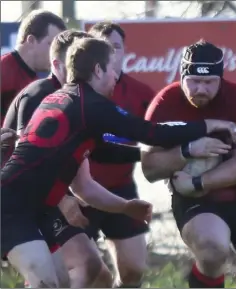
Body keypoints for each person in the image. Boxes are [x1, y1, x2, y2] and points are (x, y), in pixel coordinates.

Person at [1, 37, 236, 288]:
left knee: (62, 280)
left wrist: (142, 171)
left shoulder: (66, 99)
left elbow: (104, 153)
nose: (117, 77)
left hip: (38, 208)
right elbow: (151, 133)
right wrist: (208, 125)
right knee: (45, 282)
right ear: (97, 69)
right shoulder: (91, 105)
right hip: (12, 206)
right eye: (113, 69)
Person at [141, 40, 236, 288]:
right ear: (182, 76)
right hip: (197, 203)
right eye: (194, 81)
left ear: (220, 79)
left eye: (209, 83)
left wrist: (198, 182)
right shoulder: (165, 103)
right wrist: (187, 151)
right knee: (213, 249)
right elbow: (149, 168)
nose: (201, 89)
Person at [2, 29, 137, 288]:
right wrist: (64, 201)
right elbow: (29, 163)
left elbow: (84, 175)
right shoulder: (41, 96)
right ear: (59, 65)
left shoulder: (78, 102)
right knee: (59, 275)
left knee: (94, 273)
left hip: (43, 203)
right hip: (18, 203)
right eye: (75, 62)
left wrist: (125, 203)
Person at [48, 22, 156, 288]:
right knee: (87, 272)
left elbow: (158, 136)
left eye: (115, 47)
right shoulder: (71, 96)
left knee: (134, 269)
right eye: (103, 47)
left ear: (123, 51)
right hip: (79, 191)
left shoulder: (142, 93)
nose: (111, 52)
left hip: (121, 187)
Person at [1, 9, 66, 123]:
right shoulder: (3, 71)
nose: (56, 53)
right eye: (51, 45)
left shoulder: (37, 84)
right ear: (31, 40)